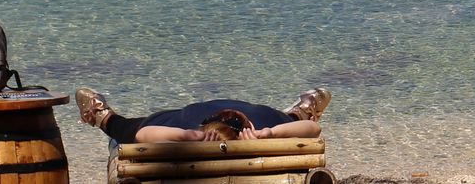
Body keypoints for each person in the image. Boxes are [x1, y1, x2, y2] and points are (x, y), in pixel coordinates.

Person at [75, 87, 329, 145]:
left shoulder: (183, 127)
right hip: (203, 118)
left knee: (124, 129)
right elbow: (312, 130)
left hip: (189, 121)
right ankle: (300, 111)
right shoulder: (264, 124)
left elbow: (141, 134)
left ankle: (102, 115)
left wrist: (187, 136)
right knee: (292, 122)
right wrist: (270, 133)